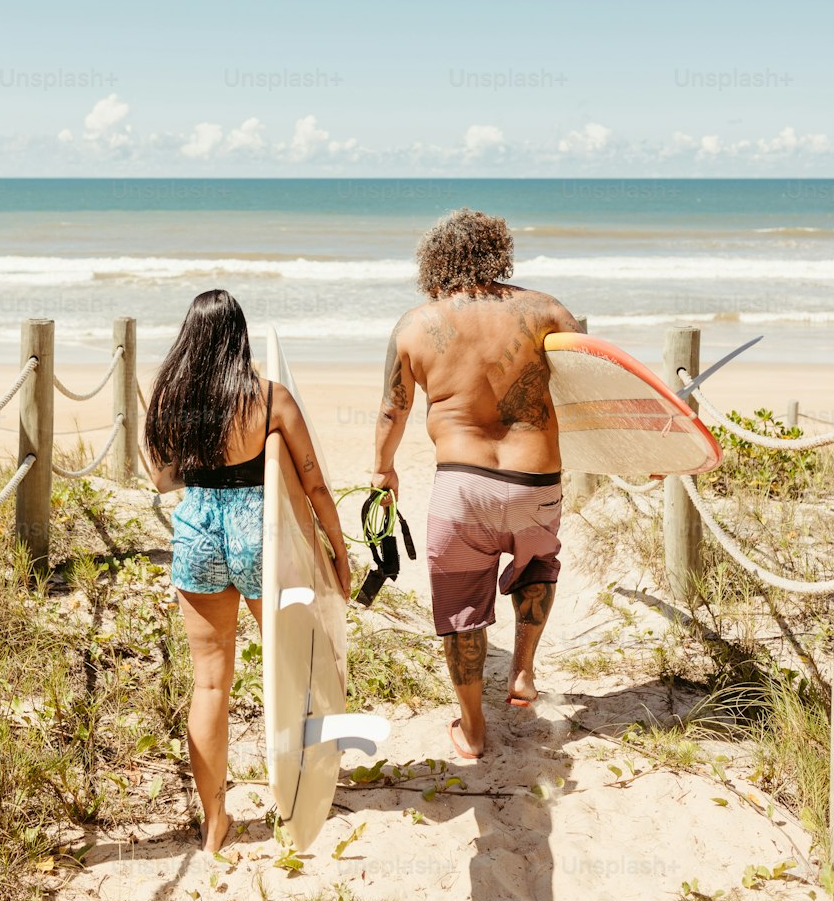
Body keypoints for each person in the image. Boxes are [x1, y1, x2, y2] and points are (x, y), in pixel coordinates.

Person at [145, 288, 351, 852]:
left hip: (196, 532)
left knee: (210, 682)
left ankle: (214, 823)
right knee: (291, 669)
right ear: (238, 337)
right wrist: (338, 551)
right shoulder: (269, 398)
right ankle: (300, 789)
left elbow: (164, 481)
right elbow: (314, 484)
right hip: (259, 534)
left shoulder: (170, 400)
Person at [371, 209, 581, 760]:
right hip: (537, 481)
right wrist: (643, 449)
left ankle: (473, 728)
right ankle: (523, 672)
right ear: (498, 252)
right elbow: (596, 388)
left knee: (462, 608)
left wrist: (382, 469)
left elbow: (393, 410)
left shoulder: (414, 326)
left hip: (462, 486)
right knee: (537, 566)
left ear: (433, 261)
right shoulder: (547, 310)